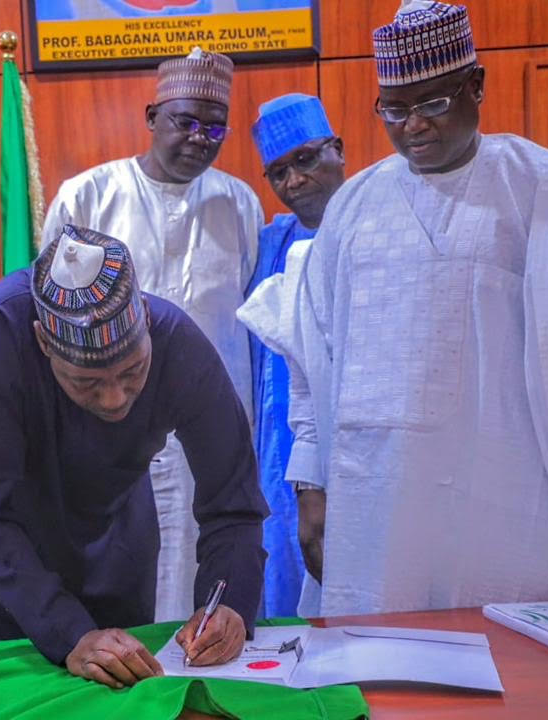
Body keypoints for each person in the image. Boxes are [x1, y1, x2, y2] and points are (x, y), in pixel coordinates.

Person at [286, 0, 548, 617]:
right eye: (393, 109)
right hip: (378, 498)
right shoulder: (353, 206)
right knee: (383, 673)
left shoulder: (545, 190)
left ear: (477, 85)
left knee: (513, 670)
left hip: (506, 491)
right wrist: (311, 481)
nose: (412, 125)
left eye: (433, 103)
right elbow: (311, 353)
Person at [0, 224, 266, 688]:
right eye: (87, 383)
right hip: (16, 566)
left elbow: (233, 502)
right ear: (43, 343)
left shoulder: (179, 343)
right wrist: (69, 632)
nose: (116, 399)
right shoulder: (0, 328)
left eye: (133, 371)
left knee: (126, 688)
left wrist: (230, 604)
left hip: (119, 545)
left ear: (146, 318)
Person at [40, 47, 262, 622]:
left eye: (215, 127)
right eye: (184, 121)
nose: (199, 137)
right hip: (110, 430)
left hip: (210, 434)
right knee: (122, 583)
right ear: (151, 117)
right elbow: (52, 314)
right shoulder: (88, 195)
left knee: (206, 573)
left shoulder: (240, 203)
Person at [242, 94, 345, 617]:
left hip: (352, 444)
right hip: (279, 449)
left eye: (305, 160)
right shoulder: (270, 241)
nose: (294, 181)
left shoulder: (370, 225)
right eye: (278, 172)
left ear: (337, 151)